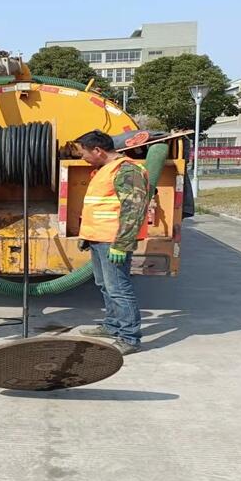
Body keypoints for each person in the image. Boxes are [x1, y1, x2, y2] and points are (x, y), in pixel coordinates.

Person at [74, 129, 150, 355]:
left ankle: (130, 338)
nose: (82, 158)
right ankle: (112, 325)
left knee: (119, 289)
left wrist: (122, 243)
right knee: (105, 286)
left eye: (83, 153)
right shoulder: (104, 170)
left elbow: (134, 209)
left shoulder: (127, 170)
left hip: (112, 242)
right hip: (98, 240)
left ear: (97, 150)